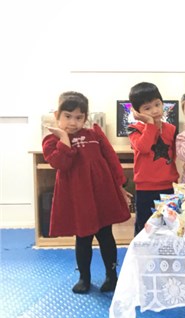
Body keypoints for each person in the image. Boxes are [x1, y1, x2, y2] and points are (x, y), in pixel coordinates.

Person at [43, 91, 131, 294]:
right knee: (83, 237)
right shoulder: (51, 141)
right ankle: (84, 277)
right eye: (68, 116)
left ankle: (112, 276)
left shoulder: (94, 135)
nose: (73, 122)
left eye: (79, 117)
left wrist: (120, 186)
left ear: (85, 117)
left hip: (102, 194)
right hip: (78, 198)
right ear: (57, 115)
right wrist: (64, 138)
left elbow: (111, 159)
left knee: (106, 235)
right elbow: (61, 163)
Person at [127, 82, 179, 235]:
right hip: (145, 189)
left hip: (168, 187)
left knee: (169, 227)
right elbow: (143, 147)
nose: (155, 110)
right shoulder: (134, 129)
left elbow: (175, 155)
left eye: (157, 104)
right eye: (147, 108)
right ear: (137, 112)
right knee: (145, 228)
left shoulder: (171, 129)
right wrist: (150, 124)